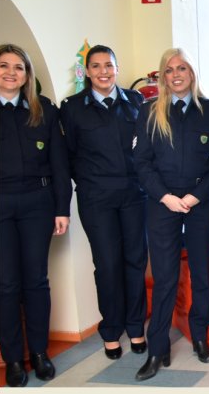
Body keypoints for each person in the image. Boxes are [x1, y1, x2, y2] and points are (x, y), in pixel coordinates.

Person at [134, 48, 209, 381]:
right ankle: (157, 349)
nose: (176, 74)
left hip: (200, 203)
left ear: (192, 73)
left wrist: (194, 196)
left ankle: (200, 336)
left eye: (182, 68)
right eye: (169, 69)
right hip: (162, 206)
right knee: (165, 279)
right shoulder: (149, 113)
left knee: (201, 273)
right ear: (163, 76)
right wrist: (166, 197)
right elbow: (142, 162)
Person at [60, 45, 148, 361]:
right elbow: (66, 156)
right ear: (87, 71)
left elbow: (146, 149)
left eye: (108, 65)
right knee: (108, 265)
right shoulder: (71, 108)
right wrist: (89, 181)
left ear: (117, 67)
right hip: (96, 199)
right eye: (96, 66)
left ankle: (136, 327)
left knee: (135, 262)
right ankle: (111, 331)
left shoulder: (137, 102)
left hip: (134, 196)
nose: (103, 72)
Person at [0, 44, 71, 387]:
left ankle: (39, 353)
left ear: (28, 75)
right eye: (3, 66)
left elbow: (59, 165)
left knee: (36, 282)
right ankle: (13, 360)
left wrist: (61, 209)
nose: (11, 73)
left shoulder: (44, 112)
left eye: (19, 67)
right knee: (6, 285)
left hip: (37, 205)